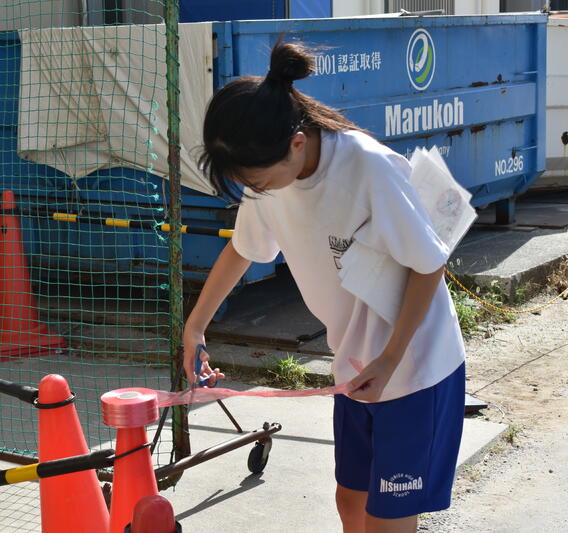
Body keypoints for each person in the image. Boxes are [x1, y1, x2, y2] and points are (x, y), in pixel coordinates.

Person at [182, 41, 466, 533]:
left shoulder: (367, 167)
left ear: (296, 143)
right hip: (356, 365)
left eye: (259, 181)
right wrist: (195, 328)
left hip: (415, 369)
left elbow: (430, 265)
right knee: (350, 501)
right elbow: (243, 249)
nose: (257, 191)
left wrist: (390, 359)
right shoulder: (268, 173)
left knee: (387, 520)